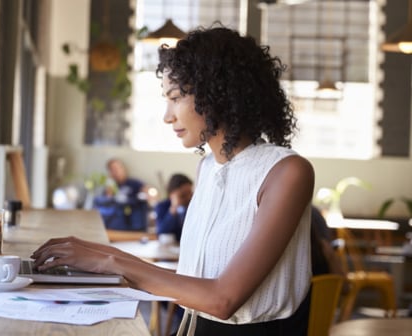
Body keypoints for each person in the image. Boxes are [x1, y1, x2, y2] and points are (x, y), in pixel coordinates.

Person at [32, 25, 314, 335]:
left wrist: (110, 261)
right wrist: (92, 251)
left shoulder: (287, 172)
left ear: (218, 92)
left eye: (176, 97)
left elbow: (222, 299)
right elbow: (193, 279)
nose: (168, 116)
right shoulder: (208, 168)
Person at [93, 158, 149, 231]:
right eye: (112, 169)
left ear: (123, 168)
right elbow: (105, 203)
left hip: (135, 223)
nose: (116, 171)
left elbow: (147, 195)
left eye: (118, 168)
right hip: (115, 224)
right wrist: (109, 192)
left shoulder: (135, 184)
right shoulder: (110, 186)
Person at [155, 173, 193, 243]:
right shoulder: (162, 206)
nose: (189, 198)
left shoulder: (193, 206)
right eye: (183, 195)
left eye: (190, 193)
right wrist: (174, 208)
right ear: (171, 194)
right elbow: (162, 230)